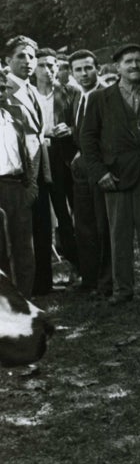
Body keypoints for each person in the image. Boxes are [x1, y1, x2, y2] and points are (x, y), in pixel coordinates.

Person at [80, 43, 140, 305]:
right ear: (117, 66)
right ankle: (122, 289)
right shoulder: (99, 99)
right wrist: (99, 173)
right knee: (119, 236)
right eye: (128, 61)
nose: (134, 65)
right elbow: (87, 139)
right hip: (114, 177)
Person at [4, 35, 53, 296]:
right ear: (7, 60)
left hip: (39, 168)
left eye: (32, 56)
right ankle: (22, 289)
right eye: (21, 56)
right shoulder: (5, 91)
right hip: (19, 173)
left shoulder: (32, 89)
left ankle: (43, 284)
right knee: (19, 234)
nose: (28, 61)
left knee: (41, 226)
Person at [34, 48, 80, 282]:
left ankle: (78, 264)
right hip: (37, 158)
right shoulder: (27, 93)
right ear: (34, 67)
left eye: (52, 65)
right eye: (42, 65)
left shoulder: (69, 92)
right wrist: (45, 133)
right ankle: (45, 273)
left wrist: (70, 130)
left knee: (68, 213)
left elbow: (82, 126)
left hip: (63, 158)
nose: (48, 70)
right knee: (42, 216)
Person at [69, 49, 112, 297]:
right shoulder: (78, 97)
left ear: (97, 68)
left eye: (88, 68)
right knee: (84, 225)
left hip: (101, 168)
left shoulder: (106, 95)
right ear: (72, 73)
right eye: (78, 70)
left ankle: (107, 281)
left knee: (103, 226)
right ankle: (90, 279)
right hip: (82, 170)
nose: (84, 74)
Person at [0, 69, 36, 297]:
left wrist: (30, 184)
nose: (1, 93)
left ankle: (24, 298)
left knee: (24, 246)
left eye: (3, 88)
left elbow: (29, 151)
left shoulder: (15, 114)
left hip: (17, 186)